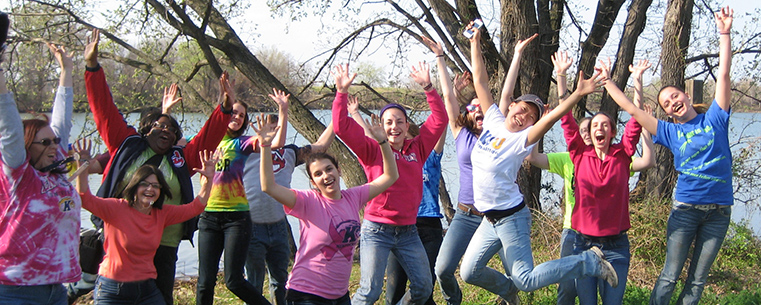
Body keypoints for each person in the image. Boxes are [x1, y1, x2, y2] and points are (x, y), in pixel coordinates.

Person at [459, 24, 617, 304]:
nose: (522, 116)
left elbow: (552, 116)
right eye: (521, 109)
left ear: (532, 123)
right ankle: (508, 292)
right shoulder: (494, 120)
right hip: (488, 219)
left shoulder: (522, 141)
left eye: (529, 116)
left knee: (526, 278)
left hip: (511, 218)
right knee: (469, 271)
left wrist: (578, 94)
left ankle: (589, 262)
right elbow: (481, 81)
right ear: (511, 106)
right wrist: (474, 42)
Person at [83, 29, 232, 305]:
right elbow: (104, 110)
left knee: (160, 297)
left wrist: (224, 108)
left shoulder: (179, 158)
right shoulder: (127, 145)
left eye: (171, 129)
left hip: (165, 242)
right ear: (147, 129)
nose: (165, 130)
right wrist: (92, 67)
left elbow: (207, 137)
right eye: (159, 126)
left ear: (176, 137)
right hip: (122, 239)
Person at [603, 7, 736, 305]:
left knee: (698, 280)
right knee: (670, 275)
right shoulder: (669, 132)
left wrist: (724, 33)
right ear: (665, 111)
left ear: (687, 96)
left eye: (675, 96)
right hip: (686, 209)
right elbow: (633, 110)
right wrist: (608, 82)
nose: (673, 102)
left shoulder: (715, 118)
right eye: (666, 103)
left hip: (719, 212)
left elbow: (725, 74)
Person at [525, 54, 655, 305]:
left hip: (617, 246)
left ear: (613, 132)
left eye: (606, 125)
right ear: (591, 132)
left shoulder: (623, 154)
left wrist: (635, 81)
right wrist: (561, 76)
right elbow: (566, 118)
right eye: (596, 125)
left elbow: (636, 116)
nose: (600, 129)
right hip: (583, 245)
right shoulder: (578, 154)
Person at [425, 33, 536, 305]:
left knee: (520, 275)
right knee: (442, 269)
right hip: (466, 213)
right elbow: (449, 96)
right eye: (473, 108)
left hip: (498, 213)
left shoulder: (500, 133)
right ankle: (455, 300)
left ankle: (510, 295)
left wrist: (518, 55)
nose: (478, 111)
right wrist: (440, 58)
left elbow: (505, 92)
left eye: (482, 108)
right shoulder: (459, 133)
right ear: (467, 113)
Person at [331, 61, 447, 305]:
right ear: (381, 127)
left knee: (423, 288)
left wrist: (428, 86)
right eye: (389, 122)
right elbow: (341, 126)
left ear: (407, 126)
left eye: (399, 122)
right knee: (370, 291)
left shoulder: (418, 148)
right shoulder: (371, 149)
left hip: (409, 231)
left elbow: (440, 119)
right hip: (377, 230)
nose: (394, 127)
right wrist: (341, 93)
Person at [256, 110, 398, 305]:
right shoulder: (307, 201)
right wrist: (265, 146)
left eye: (329, 169)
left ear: (338, 171)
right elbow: (268, 186)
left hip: (340, 296)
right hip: (306, 294)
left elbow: (390, 176)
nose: (325, 176)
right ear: (313, 182)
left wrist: (383, 143)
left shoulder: (353, 197)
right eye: (318, 174)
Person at [74, 139, 216, 305]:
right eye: (145, 184)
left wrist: (208, 180)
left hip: (146, 289)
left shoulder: (161, 214)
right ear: (134, 186)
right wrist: (83, 165)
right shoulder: (115, 208)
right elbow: (85, 199)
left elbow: (195, 208)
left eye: (155, 186)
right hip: (113, 289)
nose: (150, 189)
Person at [0, 38, 80, 304]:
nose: (54, 147)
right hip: (14, 291)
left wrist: (66, 72)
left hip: (56, 290)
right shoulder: (19, 177)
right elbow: (10, 128)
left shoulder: (55, 171)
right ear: (26, 148)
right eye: (44, 142)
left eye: (55, 142)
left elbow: (62, 123)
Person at [196, 89, 290, 305]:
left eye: (241, 116)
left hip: (236, 218)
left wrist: (282, 111)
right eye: (234, 113)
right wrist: (165, 112)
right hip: (208, 217)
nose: (237, 118)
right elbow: (177, 145)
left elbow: (276, 143)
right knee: (205, 281)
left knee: (234, 281)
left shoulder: (242, 143)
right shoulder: (205, 141)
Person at [243, 113, 335, 305]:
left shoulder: (290, 153)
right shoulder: (247, 151)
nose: (274, 133)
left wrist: (338, 116)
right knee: (254, 281)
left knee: (280, 279)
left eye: (277, 129)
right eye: (269, 129)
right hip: (252, 222)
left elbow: (321, 146)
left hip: (279, 223)